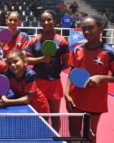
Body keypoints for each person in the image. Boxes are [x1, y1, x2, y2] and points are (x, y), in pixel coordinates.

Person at [65, 15, 114, 143]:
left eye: (90, 28)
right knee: (74, 134)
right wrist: (66, 94)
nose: (86, 32)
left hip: (95, 101)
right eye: (84, 29)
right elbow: (72, 72)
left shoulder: (109, 52)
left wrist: (101, 77)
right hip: (75, 99)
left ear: (100, 28)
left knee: (90, 136)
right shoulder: (77, 49)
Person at [26, 10, 69, 132]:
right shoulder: (34, 40)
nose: (46, 22)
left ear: (55, 21)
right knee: (40, 114)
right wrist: (42, 60)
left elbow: (65, 63)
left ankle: (55, 138)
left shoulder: (62, 41)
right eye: (43, 20)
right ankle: (41, 136)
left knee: (55, 115)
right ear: (40, 22)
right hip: (38, 83)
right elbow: (27, 60)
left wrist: (54, 70)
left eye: (49, 19)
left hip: (55, 84)